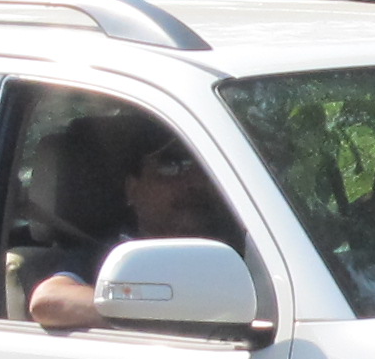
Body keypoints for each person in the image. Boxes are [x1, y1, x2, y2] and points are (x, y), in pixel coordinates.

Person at [26, 131, 244, 329]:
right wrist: (162, 312)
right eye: (171, 166)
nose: (193, 182)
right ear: (132, 188)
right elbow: (48, 300)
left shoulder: (249, 245)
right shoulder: (114, 254)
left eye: (204, 169)